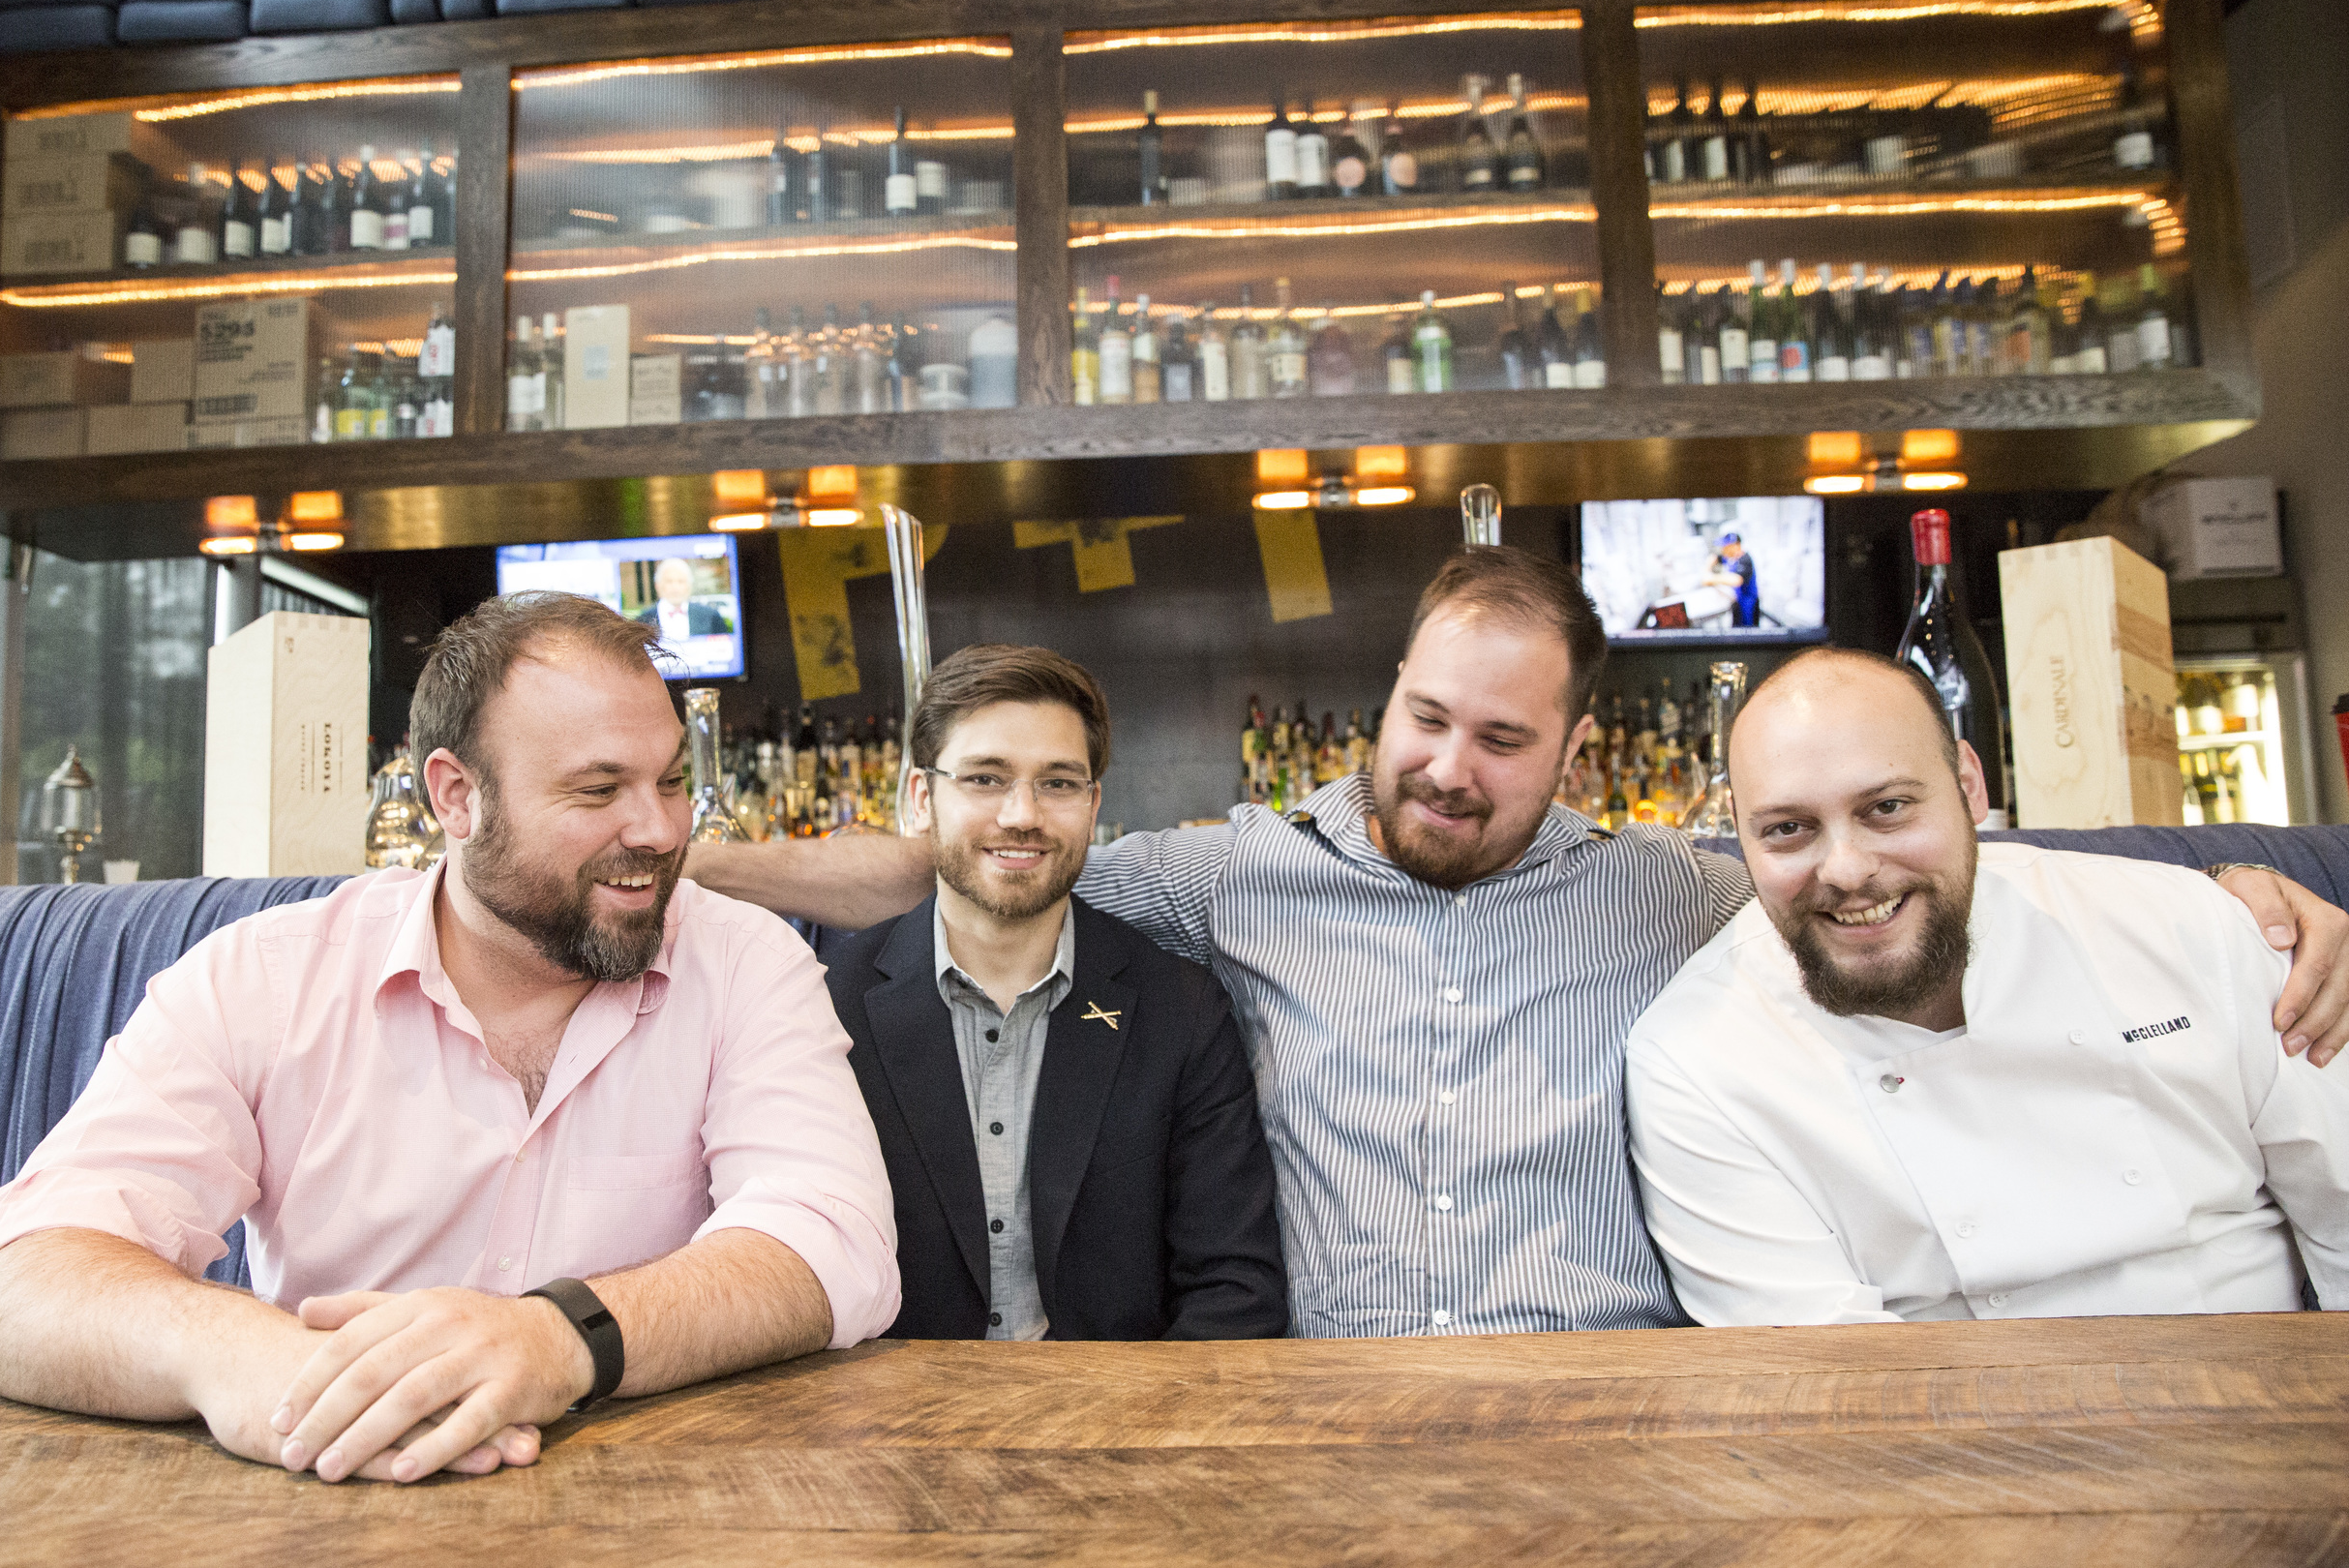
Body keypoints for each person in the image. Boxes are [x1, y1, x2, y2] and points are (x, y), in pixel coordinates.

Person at [687, 547, 2349, 1339]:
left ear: (1571, 750)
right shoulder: (1227, 874)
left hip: (1617, 1411)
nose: (1446, 765)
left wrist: (2229, 895)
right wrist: (696, 858)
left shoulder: (1668, 886)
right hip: (1328, 1426)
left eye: (1500, 737)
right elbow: (968, 851)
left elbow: (1883, 856)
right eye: (1425, 716)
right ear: (1387, 694)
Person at [0, 592, 898, 1484]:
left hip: (668, 1488)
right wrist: (238, 1354)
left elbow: (833, 1236)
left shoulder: (744, 962)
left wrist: (564, 1338)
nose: (657, 828)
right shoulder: (264, 979)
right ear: (454, 796)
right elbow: (16, 1279)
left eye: (672, 780)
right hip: (341, 1487)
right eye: (599, 788)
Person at [1626, 648, 2349, 1325]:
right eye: (1788, 828)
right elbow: (1829, 1372)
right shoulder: (1697, 1056)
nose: (1846, 869)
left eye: (1887, 808)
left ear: (1970, 787)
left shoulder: (2197, 927)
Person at [824, 644, 1286, 1341]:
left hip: (1124, 1429)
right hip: (897, 1433)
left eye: (1059, 783)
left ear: (1093, 803)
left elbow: (1235, 1289)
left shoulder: (1180, 1008)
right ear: (922, 799)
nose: (1022, 814)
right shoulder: (832, 1005)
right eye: (985, 777)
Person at [635, 558, 732, 641]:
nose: (675, 587)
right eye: (669, 581)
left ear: (690, 586)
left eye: (681, 581)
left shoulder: (711, 617)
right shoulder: (641, 622)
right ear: (658, 586)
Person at [1702, 529, 1759, 627]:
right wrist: (1705, 571)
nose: (1723, 550)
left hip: (1747, 606)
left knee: (1747, 636)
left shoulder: (1744, 560)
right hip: (1737, 605)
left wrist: (1712, 578)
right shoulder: (1730, 558)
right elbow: (1713, 558)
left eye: (1726, 547)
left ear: (1735, 545)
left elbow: (1736, 580)